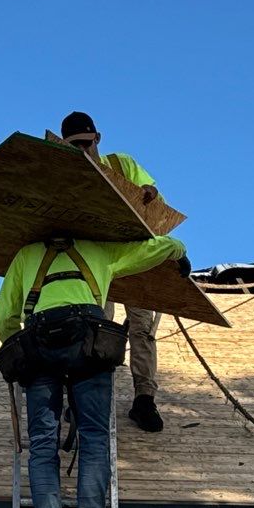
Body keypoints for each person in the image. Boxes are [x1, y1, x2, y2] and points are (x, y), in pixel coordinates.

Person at [0, 230, 187, 508]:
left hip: (41, 343)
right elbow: (150, 249)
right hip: (89, 344)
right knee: (95, 438)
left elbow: (3, 319)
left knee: (42, 442)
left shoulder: (26, 255)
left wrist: (24, 355)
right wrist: (177, 250)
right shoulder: (100, 250)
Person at [59, 111, 170, 433]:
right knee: (95, 326)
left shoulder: (121, 164)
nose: (83, 150)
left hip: (134, 258)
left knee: (142, 328)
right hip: (96, 262)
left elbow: (156, 207)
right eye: (74, 146)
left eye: (86, 143)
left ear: (98, 138)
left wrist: (149, 195)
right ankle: (86, 396)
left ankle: (144, 399)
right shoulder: (68, 177)